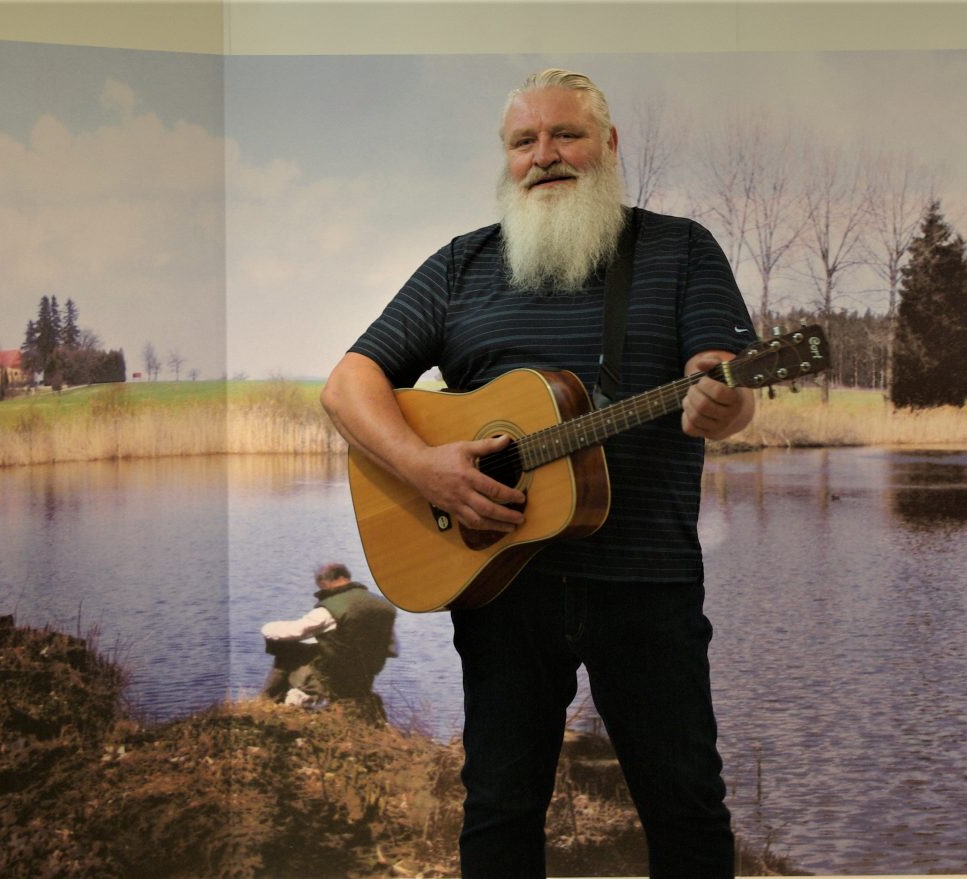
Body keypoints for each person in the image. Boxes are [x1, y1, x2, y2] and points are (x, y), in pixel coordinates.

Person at [320, 69, 756, 878]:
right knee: (498, 811)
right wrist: (424, 467)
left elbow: (721, 375)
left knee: (688, 812)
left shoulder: (680, 249)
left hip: (647, 587)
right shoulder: (462, 265)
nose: (544, 155)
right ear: (507, 156)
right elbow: (348, 384)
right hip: (500, 588)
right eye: (525, 141)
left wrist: (721, 402)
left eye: (567, 135)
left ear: (609, 144)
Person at [260, 562, 397, 718]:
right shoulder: (385, 606)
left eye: (320, 587)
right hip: (362, 680)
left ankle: (266, 702)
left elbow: (297, 631)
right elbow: (393, 649)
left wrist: (267, 628)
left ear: (324, 582)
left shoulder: (332, 607)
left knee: (285, 647)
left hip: (331, 678)